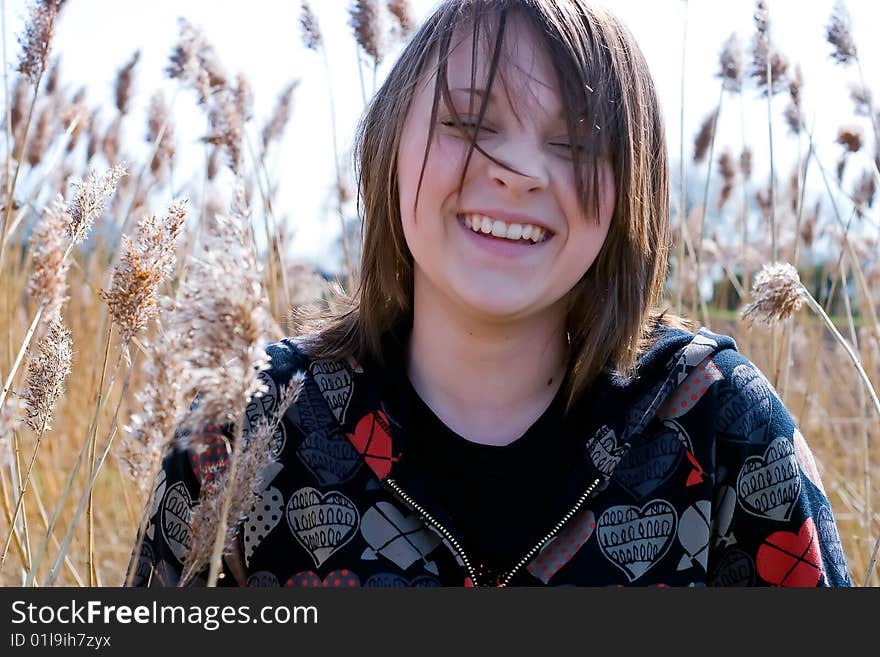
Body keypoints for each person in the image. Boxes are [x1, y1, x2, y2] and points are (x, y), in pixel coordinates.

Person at [127, 0, 852, 587]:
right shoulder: (244, 431)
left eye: (575, 141)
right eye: (470, 123)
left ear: (632, 184)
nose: (517, 170)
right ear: (389, 145)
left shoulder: (722, 427)